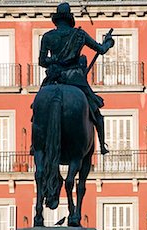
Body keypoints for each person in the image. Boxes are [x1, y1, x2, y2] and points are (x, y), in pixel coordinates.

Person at [37, 2, 114, 154]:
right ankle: (102, 145)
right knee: (96, 112)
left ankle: (36, 145)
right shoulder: (80, 35)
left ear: (57, 19)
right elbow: (101, 50)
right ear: (70, 19)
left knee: (37, 109)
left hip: (54, 78)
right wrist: (108, 42)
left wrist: (55, 60)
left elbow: (42, 62)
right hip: (75, 79)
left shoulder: (48, 37)